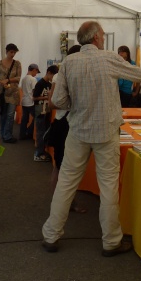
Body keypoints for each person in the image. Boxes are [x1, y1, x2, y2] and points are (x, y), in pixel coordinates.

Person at [41, 21, 141, 255]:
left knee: (66, 183)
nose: (104, 39)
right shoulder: (108, 58)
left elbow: (58, 101)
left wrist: (74, 106)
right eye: (103, 36)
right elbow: (140, 74)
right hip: (106, 131)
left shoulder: (68, 62)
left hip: (77, 130)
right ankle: (111, 241)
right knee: (108, 185)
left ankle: (51, 235)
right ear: (97, 37)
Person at [45, 45, 86, 213]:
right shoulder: (64, 76)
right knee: (66, 167)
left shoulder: (60, 75)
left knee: (61, 166)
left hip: (63, 122)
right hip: (65, 123)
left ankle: (62, 201)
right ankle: (66, 203)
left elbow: (51, 101)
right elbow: (52, 102)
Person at [0, 43, 22, 144]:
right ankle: (3, 134)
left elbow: (18, 78)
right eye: (11, 52)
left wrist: (8, 80)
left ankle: (8, 135)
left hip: (13, 93)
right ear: (6, 52)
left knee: (10, 115)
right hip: (2, 92)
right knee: (3, 114)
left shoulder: (17, 64)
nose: (12, 54)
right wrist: (2, 82)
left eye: (14, 52)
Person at [33, 65, 58, 161]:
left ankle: (42, 151)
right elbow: (34, 97)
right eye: (53, 76)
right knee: (40, 132)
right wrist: (47, 98)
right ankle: (38, 154)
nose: (53, 78)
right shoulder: (40, 84)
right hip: (40, 110)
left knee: (45, 132)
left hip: (47, 110)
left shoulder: (50, 84)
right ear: (49, 73)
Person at [19, 64, 39, 141]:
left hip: (24, 100)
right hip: (31, 101)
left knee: (24, 119)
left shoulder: (23, 79)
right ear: (34, 70)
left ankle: (22, 134)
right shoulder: (33, 79)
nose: (36, 74)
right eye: (36, 72)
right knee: (35, 117)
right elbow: (35, 91)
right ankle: (30, 133)